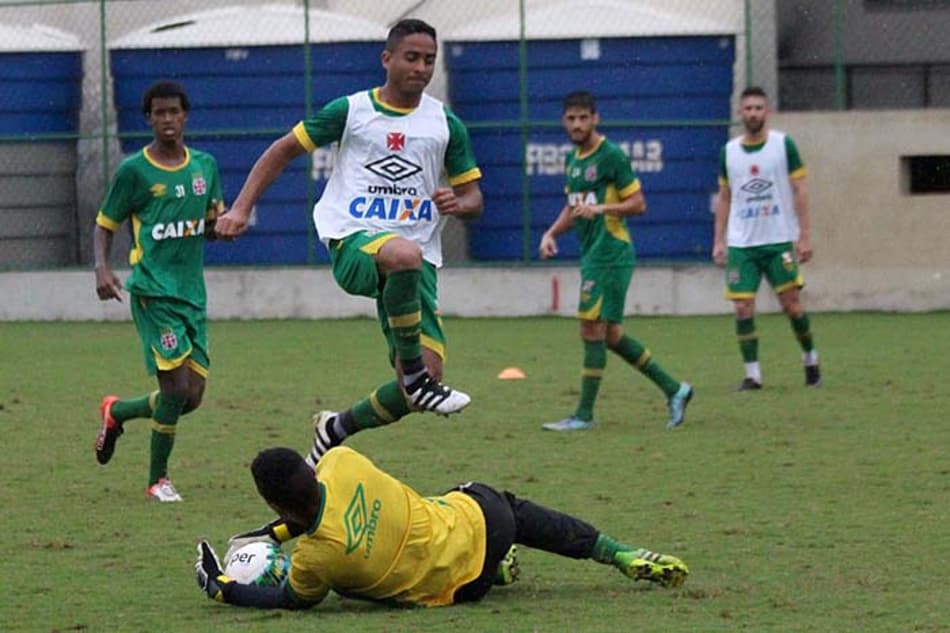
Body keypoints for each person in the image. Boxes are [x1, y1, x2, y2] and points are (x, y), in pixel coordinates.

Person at [214, 19, 482, 456]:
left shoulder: (445, 124)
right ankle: (416, 377)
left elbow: (475, 199)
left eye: (429, 60)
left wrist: (459, 201)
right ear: (387, 59)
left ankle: (336, 429)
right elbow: (282, 150)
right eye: (411, 57)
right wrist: (242, 207)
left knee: (413, 389)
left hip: (417, 261)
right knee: (403, 258)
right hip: (354, 240)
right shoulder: (352, 111)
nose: (420, 67)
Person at [194, 445, 688, 609]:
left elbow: (290, 600)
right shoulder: (342, 462)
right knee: (508, 507)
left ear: (273, 503)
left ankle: (495, 573)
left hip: (463, 588)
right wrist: (277, 529)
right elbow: (315, 506)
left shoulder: (318, 557)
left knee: (351, 590)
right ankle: (617, 552)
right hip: (484, 521)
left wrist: (223, 588)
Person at [93, 80, 224, 502]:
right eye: (159, 113)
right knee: (174, 391)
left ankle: (117, 412)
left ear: (185, 116)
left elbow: (209, 224)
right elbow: (105, 223)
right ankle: (157, 480)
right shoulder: (134, 171)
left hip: (192, 295)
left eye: (174, 112)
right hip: (152, 291)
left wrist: (226, 226)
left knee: (192, 396)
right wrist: (101, 267)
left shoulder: (205, 166)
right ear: (148, 118)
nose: (167, 119)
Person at [538, 91, 693, 432]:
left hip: (610, 252)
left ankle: (583, 415)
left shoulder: (611, 156)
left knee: (590, 327)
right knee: (611, 335)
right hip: (593, 253)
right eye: (571, 118)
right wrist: (551, 233)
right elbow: (573, 206)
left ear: (596, 118)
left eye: (583, 117)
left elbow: (638, 203)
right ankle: (675, 389)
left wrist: (602, 209)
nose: (577, 124)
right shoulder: (574, 159)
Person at [712, 86, 820, 390]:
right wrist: (719, 240)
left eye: (759, 108)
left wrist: (804, 236)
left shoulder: (783, 145)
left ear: (767, 112)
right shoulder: (729, 152)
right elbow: (724, 196)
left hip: (777, 240)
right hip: (742, 244)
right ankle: (753, 375)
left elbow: (800, 190)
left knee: (792, 306)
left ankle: (810, 359)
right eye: (748, 108)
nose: (753, 114)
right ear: (740, 112)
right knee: (743, 307)